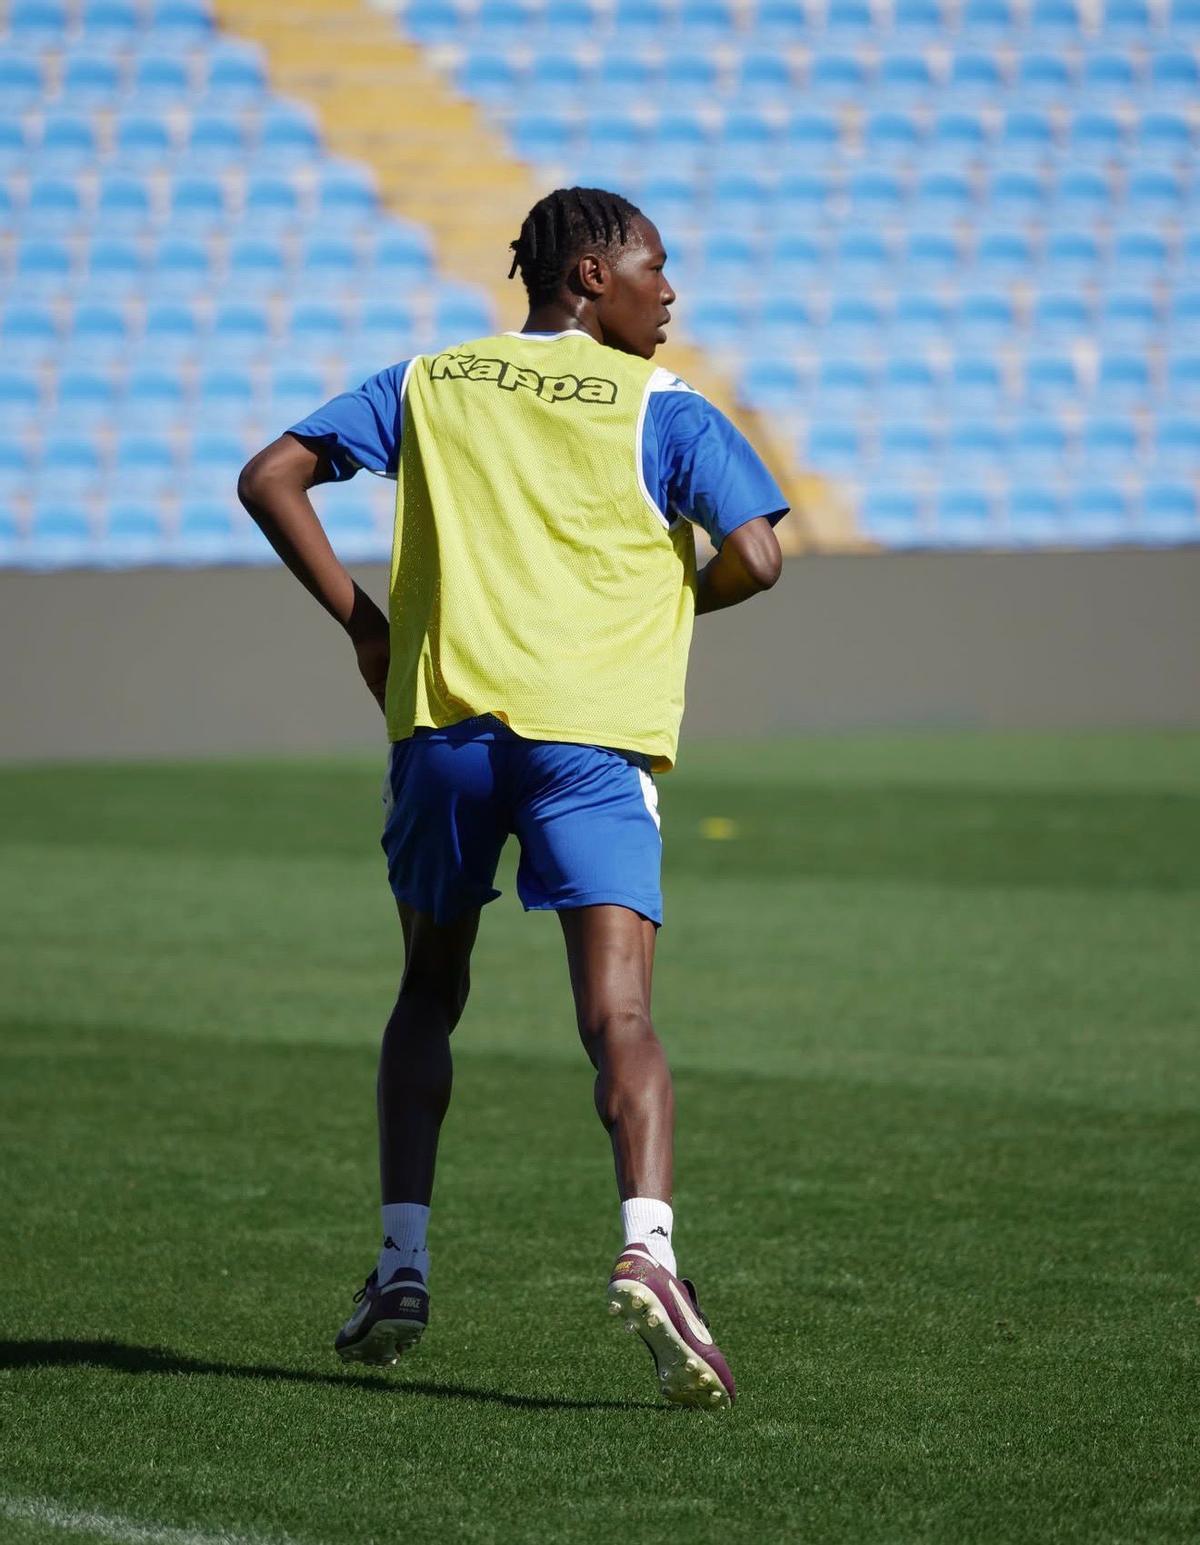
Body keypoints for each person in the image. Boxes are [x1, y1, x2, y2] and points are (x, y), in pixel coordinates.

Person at [237, 187, 785, 1410]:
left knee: (428, 991)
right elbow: (757, 555)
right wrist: (670, 603)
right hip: (589, 740)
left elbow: (270, 476)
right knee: (619, 1013)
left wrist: (365, 625)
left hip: (444, 733)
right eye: (653, 266)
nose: (669, 292)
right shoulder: (664, 404)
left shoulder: (427, 381)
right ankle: (650, 1250)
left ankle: (401, 1266)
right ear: (591, 275)